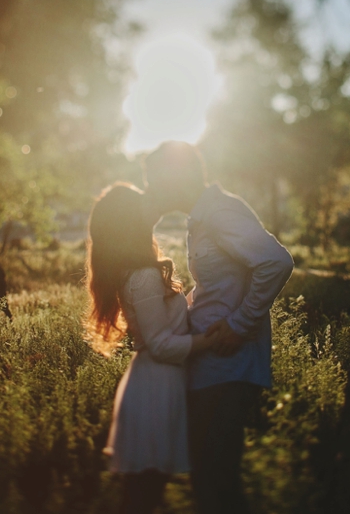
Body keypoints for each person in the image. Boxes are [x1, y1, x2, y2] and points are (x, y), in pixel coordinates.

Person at [142, 142, 294, 514]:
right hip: (209, 361)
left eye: (154, 181)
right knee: (210, 476)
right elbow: (221, 285)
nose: (151, 191)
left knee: (215, 480)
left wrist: (240, 324)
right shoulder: (203, 215)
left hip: (229, 362)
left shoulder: (220, 211)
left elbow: (275, 262)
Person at [85, 182, 218, 514]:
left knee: (143, 495)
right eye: (142, 204)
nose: (150, 207)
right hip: (156, 387)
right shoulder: (142, 275)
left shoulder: (138, 272)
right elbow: (160, 344)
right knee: (143, 494)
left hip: (156, 384)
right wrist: (214, 340)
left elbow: (160, 327)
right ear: (132, 221)